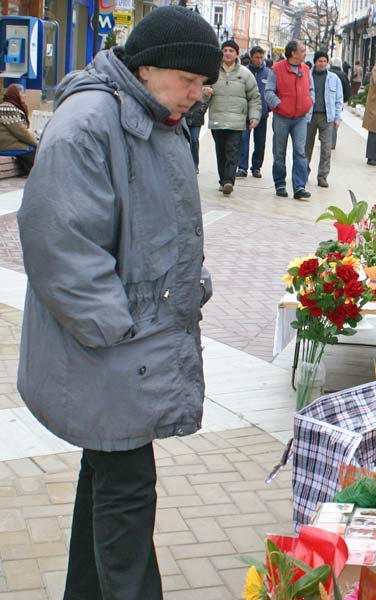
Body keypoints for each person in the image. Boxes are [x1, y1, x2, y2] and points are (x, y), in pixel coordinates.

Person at [15, 7, 220, 599]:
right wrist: (118, 330)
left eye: (203, 84)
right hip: (112, 346)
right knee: (128, 492)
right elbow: (60, 245)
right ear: (149, 66)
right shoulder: (90, 121)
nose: (197, 93)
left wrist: (189, 285)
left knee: (108, 479)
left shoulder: (155, 118)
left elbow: (164, 229)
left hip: (131, 343)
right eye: (190, 80)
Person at [203, 39, 261, 196]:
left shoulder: (245, 74)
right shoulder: (212, 72)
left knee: (232, 150)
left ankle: (229, 181)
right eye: (225, 50)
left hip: (236, 121)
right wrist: (205, 92)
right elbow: (201, 94)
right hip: (217, 118)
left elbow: (254, 97)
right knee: (220, 151)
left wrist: (254, 116)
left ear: (237, 54)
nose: (227, 53)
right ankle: (223, 180)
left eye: (231, 51)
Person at [264, 39, 314, 199]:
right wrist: (280, 105)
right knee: (279, 152)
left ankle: (299, 186)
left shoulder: (306, 69)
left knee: (300, 152)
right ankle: (280, 184)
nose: (305, 53)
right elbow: (269, 92)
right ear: (293, 53)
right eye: (302, 50)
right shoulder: (277, 69)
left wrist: (310, 101)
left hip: (300, 117)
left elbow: (311, 89)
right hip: (282, 117)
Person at [306, 51, 343, 188]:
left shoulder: (334, 79)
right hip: (309, 116)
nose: (322, 64)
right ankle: (304, 173)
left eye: (324, 61)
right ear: (315, 62)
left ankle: (322, 176)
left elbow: (339, 99)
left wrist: (338, 118)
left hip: (328, 117)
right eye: (320, 61)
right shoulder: (307, 76)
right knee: (306, 147)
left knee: (326, 148)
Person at [238, 45, 271, 178]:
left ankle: (256, 167)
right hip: (245, 113)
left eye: (261, 57)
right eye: (256, 57)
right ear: (251, 58)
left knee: (260, 142)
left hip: (262, 113)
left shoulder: (269, 73)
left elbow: (272, 91)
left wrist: (268, 107)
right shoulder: (244, 72)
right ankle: (242, 167)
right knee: (243, 140)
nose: (259, 60)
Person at [0, 84, 37, 175]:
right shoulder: (7, 108)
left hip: (9, 143)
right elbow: (21, 132)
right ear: (16, 94)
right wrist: (38, 143)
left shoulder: (12, 107)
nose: (24, 95)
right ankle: (35, 174)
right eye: (22, 93)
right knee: (33, 149)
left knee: (32, 148)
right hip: (5, 145)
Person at [328, 57, 351, 150]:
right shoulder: (343, 75)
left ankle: (325, 140)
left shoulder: (327, 72)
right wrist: (343, 100)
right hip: (337, 102)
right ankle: (332, 142)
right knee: (334, 122)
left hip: (327, 101)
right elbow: (347, 89)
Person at [184, 99, 207, 173]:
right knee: (182, 142)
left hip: (196, 118)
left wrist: (201, 110)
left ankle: (194, 165)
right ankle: (184, 164)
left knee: (194, 140)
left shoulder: (199, 88)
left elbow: (205, 99)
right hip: (184, 118)